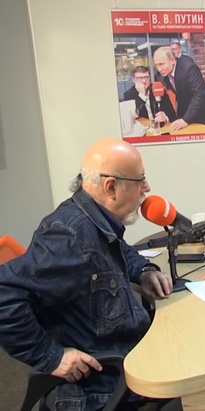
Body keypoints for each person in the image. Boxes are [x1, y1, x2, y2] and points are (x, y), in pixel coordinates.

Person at [0, 138, 173, 410]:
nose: (147, 188)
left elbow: (119, 249)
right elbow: (3, 295)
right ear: (111, 187)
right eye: (140, 180)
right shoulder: (69, 236)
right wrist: (52, 357)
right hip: (101, 389)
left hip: (124, 362)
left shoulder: (93, 219)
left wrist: (144, 271)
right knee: (203, 388)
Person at [153, 46, 205, 130]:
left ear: (172, 60)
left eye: (161, 64)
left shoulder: (188, 67)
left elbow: (200, 94)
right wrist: (169, 117)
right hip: (185, 111)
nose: (159, 69)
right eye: (156, 65)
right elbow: (178, 97)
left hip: (202, 112)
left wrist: (185, 119)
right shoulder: (161, 74)